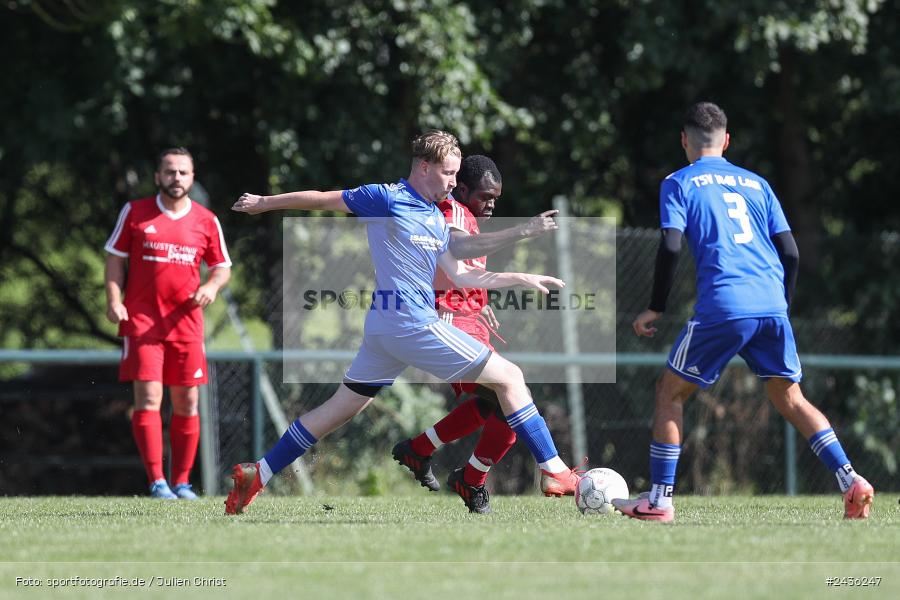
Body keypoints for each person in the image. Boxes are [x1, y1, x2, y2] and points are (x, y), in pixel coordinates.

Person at [225, 130, 582, 515]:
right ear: (424, 167)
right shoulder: (387, 198)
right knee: (510, 378)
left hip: (386, 330)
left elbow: (462, 275)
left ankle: (257, 473)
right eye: (447, 173)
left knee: (341, 407)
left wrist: (521, 279)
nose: (452, 182)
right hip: (409, 322)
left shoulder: (434, 215)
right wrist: (265, 202)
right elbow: (322, 197)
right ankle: (555, 470)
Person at [612, 102, 874, 522]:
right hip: (771, 303)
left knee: (669, 392)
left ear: (684, 140)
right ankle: (851, 480)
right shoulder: (757, 184)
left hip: (726, 304)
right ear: (727, 140)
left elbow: (672, 245)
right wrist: (781, 306)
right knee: (791, 397)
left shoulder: (679, 182)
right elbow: (790, 250)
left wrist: (655, 307)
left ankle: (659, 501)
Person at [390, 154, 577, 514]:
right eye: (484, 196)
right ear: (462, 189)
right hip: (448, 322)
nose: (491, 204)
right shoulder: (456, 212)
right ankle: (540, 471)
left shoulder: (464, 215)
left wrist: (477, 300)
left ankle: (427, 454)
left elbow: (455, 270)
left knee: (500, 401)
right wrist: (523, 231)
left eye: (496, 198)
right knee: (511, 394)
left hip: (463, 316)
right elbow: (456, 251)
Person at [104, 147, 232, 500]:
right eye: (170, 171)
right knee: (148, 399)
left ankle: (182, 482)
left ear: (192, 178)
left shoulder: (206, 220)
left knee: (187, 403)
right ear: (157, 176)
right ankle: (157, 482)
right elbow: (115, 258)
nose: (176, 178)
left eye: (183, 173)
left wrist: (211, 285)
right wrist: (114, 301)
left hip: (187, 326)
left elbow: (222, 266)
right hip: (143, 323)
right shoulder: (135, 213)